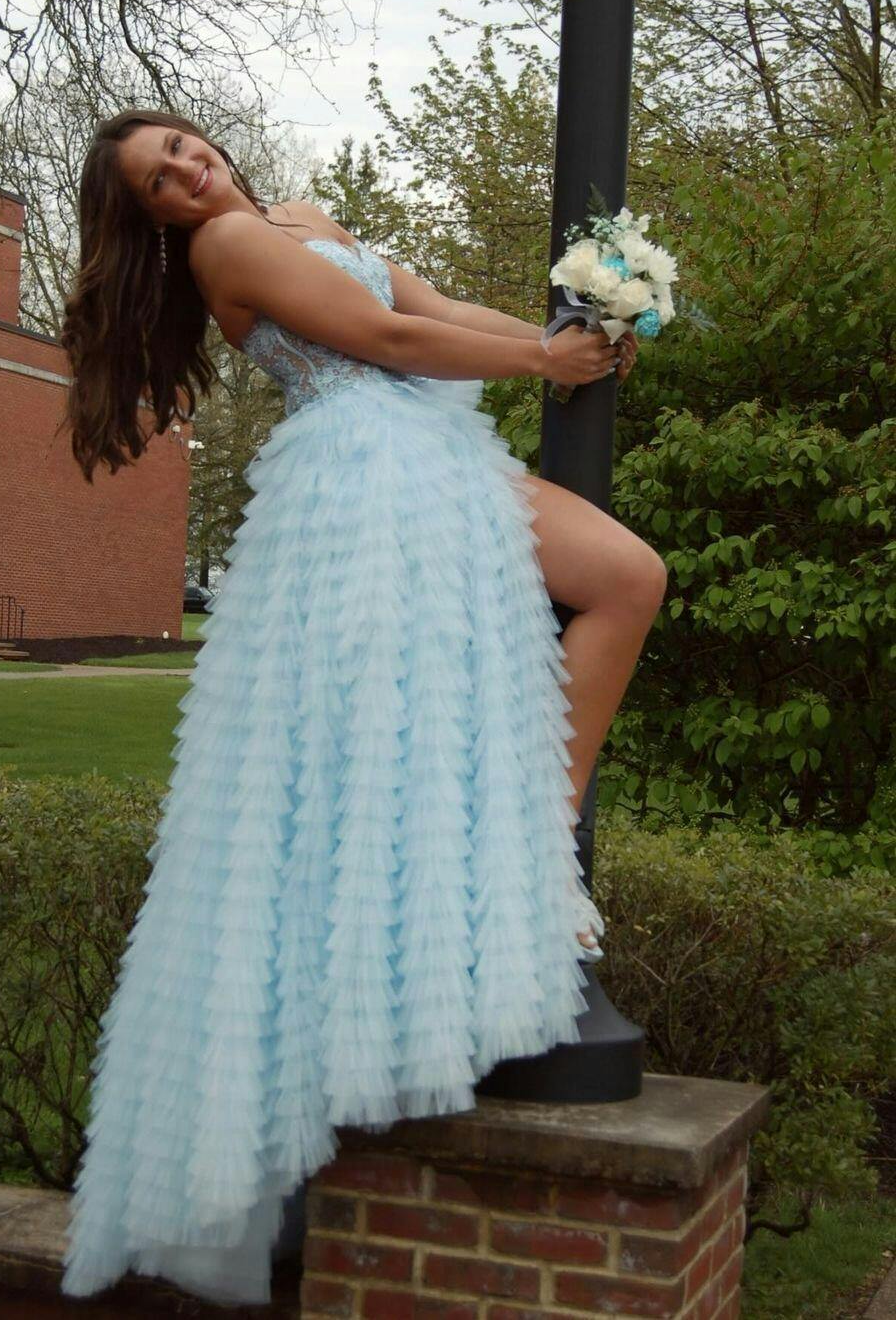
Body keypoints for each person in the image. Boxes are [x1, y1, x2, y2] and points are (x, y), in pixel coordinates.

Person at [59, 108, 664, 1307]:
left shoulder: (298, 216)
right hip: (367, 479)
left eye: (180, 147)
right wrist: (541, 368)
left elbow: (434, 307)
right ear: (155, 219)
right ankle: (528, 872)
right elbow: (384, 338)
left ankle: (534, 848)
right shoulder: (227, 249)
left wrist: (574, 335)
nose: (186, 170)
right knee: (416, 719)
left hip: (431, 455)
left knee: (616, 586)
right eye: (159, 181)